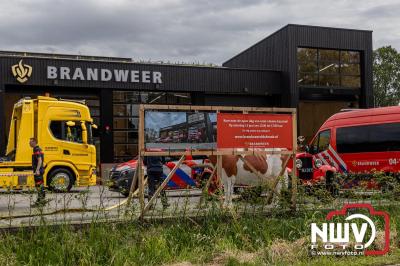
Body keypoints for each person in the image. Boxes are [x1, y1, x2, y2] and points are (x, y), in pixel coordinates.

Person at [29, 137, 46, 206]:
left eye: (30, 142)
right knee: (41, 186)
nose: (29, 143)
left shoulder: (36, 149)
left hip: (38, 172)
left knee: (39, 186)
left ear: (34, 142)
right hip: (40, 171)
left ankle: (40, 202)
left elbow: (40, 160)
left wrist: (37, 170)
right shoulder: (38, 149)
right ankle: (42, 201)